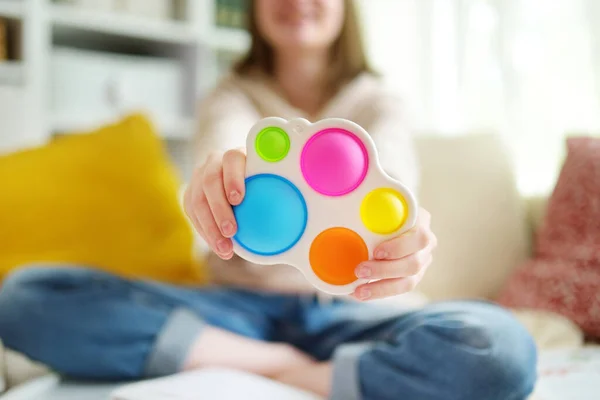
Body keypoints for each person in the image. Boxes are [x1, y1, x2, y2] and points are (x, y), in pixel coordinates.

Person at [0, 1, 537, 399]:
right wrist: (213, 182)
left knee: (501, 348)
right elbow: (226, 149)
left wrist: (407, 236)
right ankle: (273, 364)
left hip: (353, 311)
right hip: (236, 310)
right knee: (25, 296)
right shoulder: (230, 94)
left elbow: (393, 185)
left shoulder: (381, 102)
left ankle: (282, 373)